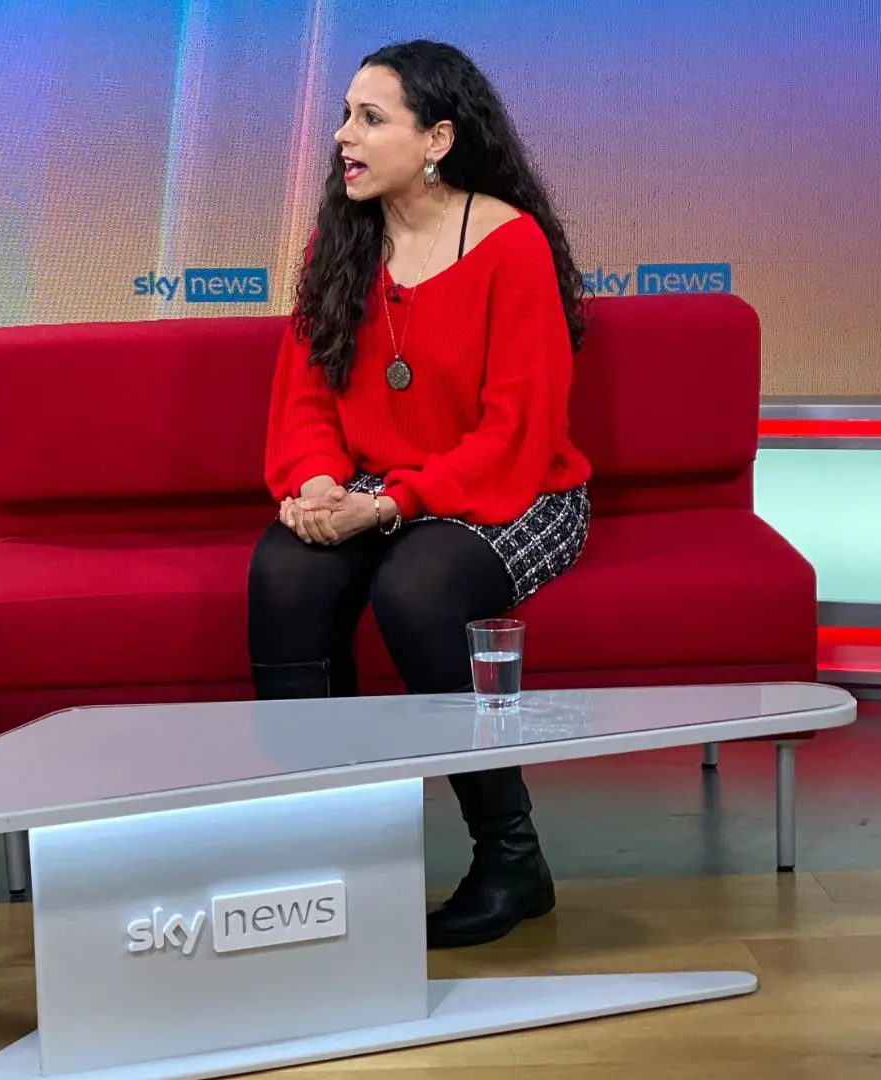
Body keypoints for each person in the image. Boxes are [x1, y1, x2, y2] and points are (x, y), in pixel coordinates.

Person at [247, 40, 593, 949]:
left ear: (437, 139)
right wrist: (318, 484)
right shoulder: (341, 241)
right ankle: (325, 857)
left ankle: (511, 860)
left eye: (370, 119)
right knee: (285, 574)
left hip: (513, 488)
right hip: (373, 484)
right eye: (343, 116)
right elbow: (306, 396)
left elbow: (514, 436)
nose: (342, 136)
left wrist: (391, 505)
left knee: (416, 588)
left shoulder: (510, 244)